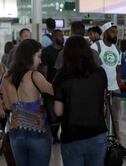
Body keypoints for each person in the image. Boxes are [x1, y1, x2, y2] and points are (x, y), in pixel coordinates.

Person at [53, 36, 108, 166]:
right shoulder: (100, 73)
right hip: (97, 133)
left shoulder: (62, 76)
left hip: (72, 136)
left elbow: (58, 111)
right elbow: (103, 105)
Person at [1, 39, 53, 166]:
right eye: (38, 56)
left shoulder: (6, 77)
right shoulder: (35, 76)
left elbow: (7, 106)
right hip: (38, 133)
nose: (40, 61)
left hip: (16, 134)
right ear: (29, 56)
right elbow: (58, 92)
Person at [90, 22, 122, 140]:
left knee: (115, 118)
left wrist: (117, 84)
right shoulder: (95, 47)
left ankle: (115, 143)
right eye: (112, 32)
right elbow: (91, 69)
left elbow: (118, 69)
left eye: (116, 32)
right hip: (100, 89)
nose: (115, 35)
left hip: (114, 90)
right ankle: (102, 143)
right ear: (105, 33)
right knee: (100, 118)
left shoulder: (117, 49)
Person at [38, 29, 64, 143]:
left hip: (63, 88)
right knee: (51, 113)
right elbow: (44, 71)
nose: (62, 38)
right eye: (59, 36)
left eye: (62, 36)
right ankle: (52, 135)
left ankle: (56, 135)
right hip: (50, 87)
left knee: (61, 113)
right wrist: (45, 88)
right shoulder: (47, 52)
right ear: (53, 38)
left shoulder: (65, 51)